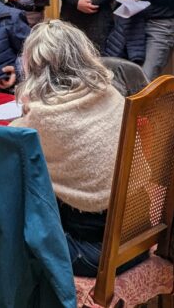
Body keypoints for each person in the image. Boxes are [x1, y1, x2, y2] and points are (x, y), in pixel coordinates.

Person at [11, 20, 145, 278]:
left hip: (97, 253)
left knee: (13, 225)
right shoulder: (111, 94)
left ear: (34, 67)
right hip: (137, 232)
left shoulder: (43, 119)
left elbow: (14, 136)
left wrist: (28, 110)